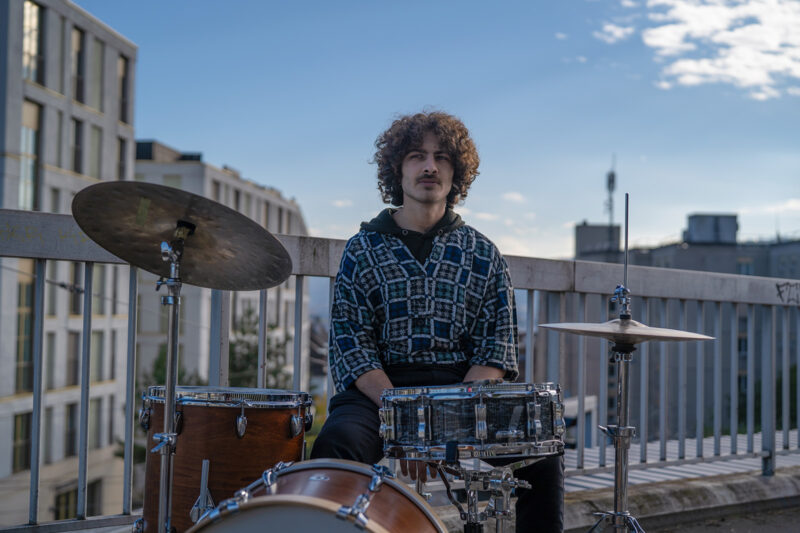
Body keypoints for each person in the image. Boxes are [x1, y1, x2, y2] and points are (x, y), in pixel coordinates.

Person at [311, 110, 564, 533]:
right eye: (417, 156)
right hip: (382, 392)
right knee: (337, 445)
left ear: (456, 171)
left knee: (542, 454)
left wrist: (440, 422)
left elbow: (495, 350)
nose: (429, 166)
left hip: (463, 389)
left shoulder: (483, 253)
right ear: (398, 169)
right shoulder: (362, 249)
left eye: (442, 157)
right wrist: (408, 421)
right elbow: (352, 348)